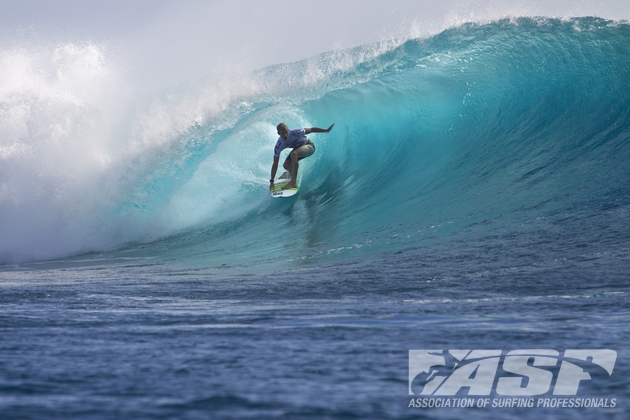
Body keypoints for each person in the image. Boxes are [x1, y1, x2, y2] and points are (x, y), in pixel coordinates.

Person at [269, 122, 335, 190]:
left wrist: (326, 130)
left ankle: (293, 182)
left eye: (286, 132)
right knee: (286, 165)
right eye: (282, 133)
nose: (285, 135)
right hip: (298, 150)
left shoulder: (296, 132)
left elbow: (311, 129)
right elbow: (275, 164)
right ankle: (291, 173)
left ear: (288, 131)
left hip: (309, 147)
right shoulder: (279, 145)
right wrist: (271, 181)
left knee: (293, 154)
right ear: (278, 133)